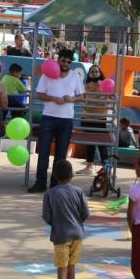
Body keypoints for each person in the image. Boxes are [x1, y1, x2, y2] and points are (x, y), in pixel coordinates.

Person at [29, 49, 86, 192]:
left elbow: (82, 96)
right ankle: (40, 182)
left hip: (66, 119)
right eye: (63, 60)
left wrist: (72, 98)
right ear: (58, 59)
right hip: (48, 117)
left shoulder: (74, 76)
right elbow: (40, 94)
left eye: (69, 61)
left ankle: (56, 183)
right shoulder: (47, 74)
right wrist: (54, 98)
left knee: (61, 154)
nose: (66, 63)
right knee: (43, 152)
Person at [42, 160, 90, 279]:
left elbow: (47, 217)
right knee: (71, 269)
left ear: (54, 176)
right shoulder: (78, 191)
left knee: (61, 271)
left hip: (61, 236)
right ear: (71, 175)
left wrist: (57, 223)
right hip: (77, 234)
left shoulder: (50, 194)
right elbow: (85, 214)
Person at [79, 64, 109, 175]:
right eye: (92, 72)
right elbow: (88, 102)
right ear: (89, 74)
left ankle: (105, 166)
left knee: (102, 143)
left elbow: (101, 101)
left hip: (100, 118)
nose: (94, 73)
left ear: (100, 73)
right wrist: (95, 101)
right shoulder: (86, 86)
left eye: (96, 71)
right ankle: (89, 166)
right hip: (87, 118)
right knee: (89, 142)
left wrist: (94, 101)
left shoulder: (104, 85)